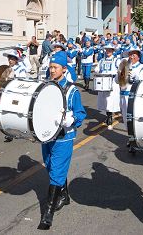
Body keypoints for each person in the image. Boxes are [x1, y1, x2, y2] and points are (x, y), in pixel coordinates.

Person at [37, 51, 86, 230]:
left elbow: (81, 113)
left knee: (57, 171)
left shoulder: (72, 90)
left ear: (64, 69)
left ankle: (47, 213)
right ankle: (64, 196)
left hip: (64, 137)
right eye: (50, 67)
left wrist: (72, 120)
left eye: (55, 67)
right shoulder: (46, 86)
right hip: (47, 135)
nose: (51, 70)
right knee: (50, 166)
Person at [95, 43, 121, 130]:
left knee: (110, 99)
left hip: (112, 82)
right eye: (107, 50)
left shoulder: (116, 60)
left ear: (113, 51)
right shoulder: (102, 60)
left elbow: (121, 69)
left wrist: (116, 74)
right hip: (103, 82)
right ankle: (108, 115)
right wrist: (97, 70)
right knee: (104, 100)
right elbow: (98, 68)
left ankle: (110, 117)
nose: (108, 51)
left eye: (110, 50)